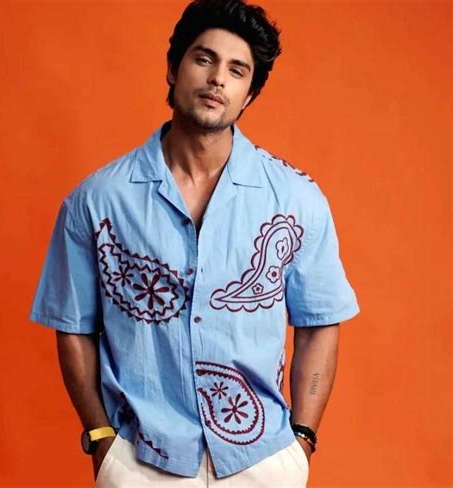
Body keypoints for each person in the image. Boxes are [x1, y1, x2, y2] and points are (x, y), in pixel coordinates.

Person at [29, 0, 360, 486]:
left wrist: (303, 439)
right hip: (141, 459)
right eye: (204, 59)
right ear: (173, 68)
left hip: (262, 459)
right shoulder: (97, 201)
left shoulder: (296, 199)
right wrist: (101, 438)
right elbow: (73, 324)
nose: (217, 79)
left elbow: (319, 322)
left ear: (249, 94)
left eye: (237, 70)